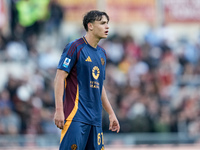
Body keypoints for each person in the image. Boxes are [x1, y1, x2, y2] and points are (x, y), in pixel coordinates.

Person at [54, 10, 120, 150]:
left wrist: (111, 113)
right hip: (76, 117)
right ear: (90, 26)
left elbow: (99, 86)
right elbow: (59, 77)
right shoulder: (74, 47)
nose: (107, 27)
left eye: (108, 23)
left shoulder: (102, 54)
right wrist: (59, 110)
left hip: (95, 120)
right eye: (102, 23)